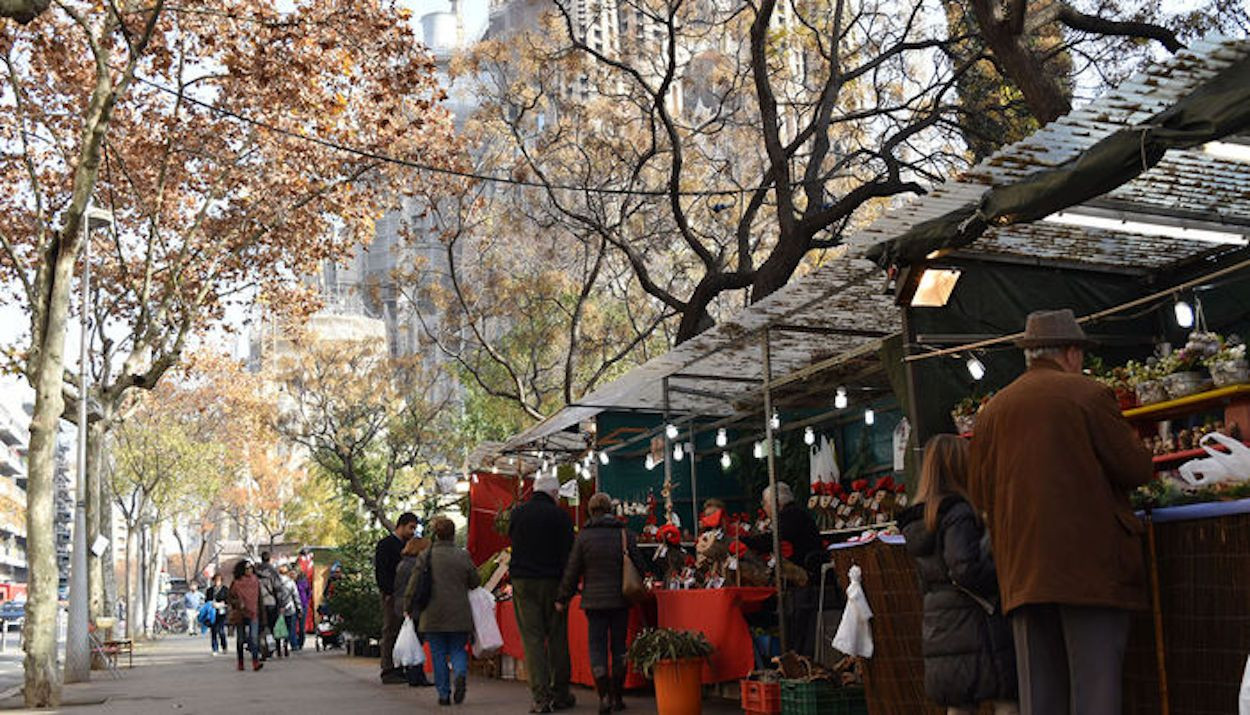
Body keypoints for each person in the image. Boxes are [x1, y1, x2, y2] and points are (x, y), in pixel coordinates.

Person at [968, 309, 1153, 715]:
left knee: (1041, 695)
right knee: (1095, 688)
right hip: (1090, 569)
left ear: (1031, 355)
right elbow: (1136, 469)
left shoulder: (992, 413)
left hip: (1021, 573)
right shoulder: (1088, 394)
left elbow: (979, 493)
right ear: (1071, 353)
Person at [899, 435, 1017, 715]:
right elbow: (964, 568)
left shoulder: (919, 520)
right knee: (1008, 704)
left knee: (960, 706)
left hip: (940, 623)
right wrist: (1002, 573)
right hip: (974, 622)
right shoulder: (958, 512)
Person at [556, 492, 646, 714]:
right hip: (620, 600)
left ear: (590, 511)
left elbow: (572, 571)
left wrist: (562, 598)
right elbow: (640, 566)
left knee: (596, 648)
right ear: (610, 510)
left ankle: (603, 696)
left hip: (593, 602)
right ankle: (617, 697)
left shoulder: (583, 538)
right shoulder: (624, 534)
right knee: (619, 647)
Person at [508, 472, 576, 713]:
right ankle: (560, 692)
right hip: (554, 581)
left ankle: (540, 697)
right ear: (554, 493)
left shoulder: (518, 514)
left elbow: (512, 541)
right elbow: (570, 554)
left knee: (533, 639)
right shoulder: (561, 516)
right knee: (558, 637)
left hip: (523, 582)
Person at [745, 481, 828, 657]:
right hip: (800, 581)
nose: (765, 508)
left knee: (798, 631)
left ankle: (796, 659)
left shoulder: (791, 517)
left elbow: (773, 540)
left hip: (804, 580)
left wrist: (747, 542)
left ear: (775, 503)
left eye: (765, 504)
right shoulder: (793, 514)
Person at [415, 516, 480, 706]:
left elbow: (415, 584)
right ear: (452, 534)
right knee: (458, 649)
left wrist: (409, 606)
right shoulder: (463, 555)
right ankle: (459, 674)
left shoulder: (425, 556)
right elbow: (475, 582)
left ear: (436, 534)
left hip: (433, 614)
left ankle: (443, 694)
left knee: (438, 654)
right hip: (459, 613)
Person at [375, 512, 419, 684]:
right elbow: (381, 570)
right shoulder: (386, 545)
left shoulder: (409, 545)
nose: (413, 532)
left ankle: (400, 666)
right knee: (390, 630)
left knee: (403, 630)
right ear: (401, 525)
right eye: (411, 527)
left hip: (405, 595)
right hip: (391, 595)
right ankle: (388, 669)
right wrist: (387, 592)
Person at [393, 533, 433, 687]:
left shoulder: (403, 564)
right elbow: (416, 588)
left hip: (402, 603)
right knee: (417, 641)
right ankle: (417, 675)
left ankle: (413, 674)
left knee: (412, 640)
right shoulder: (416, 566)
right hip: (413, 606)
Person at [227, 560, 263, 671]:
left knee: (254, 638)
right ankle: (240, 662)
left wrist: (263, 615)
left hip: (254, 613)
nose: (249, 570)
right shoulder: (236, 583)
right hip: (240, 614)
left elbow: (260, 599)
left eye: (251, 568)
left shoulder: (256, 581)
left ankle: (255, 662)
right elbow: (229, 598)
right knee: (241, 640)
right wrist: (237, 603)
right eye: (247, 568)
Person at [255, 552, 284, 660]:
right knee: (272, 628)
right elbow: (278, 589)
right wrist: (280, 603)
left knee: (260, 628)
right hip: (271, 602)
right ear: (269, 559)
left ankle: (261, 649)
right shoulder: (273, 572)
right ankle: (272, 649)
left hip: (258, 603)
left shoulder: (255, 572)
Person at [278, 564, 300, 657]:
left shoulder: (276, 582)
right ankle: (289, 643)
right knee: (290, 627)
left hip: (279, 608)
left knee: (279, 628)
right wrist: (299, 608)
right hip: (290, 608)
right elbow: (296, 596)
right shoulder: (291, 582)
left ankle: (278, 645)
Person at [206, 573, 230, 656]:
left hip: (222, 612)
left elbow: (228, 600)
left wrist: (222, 604)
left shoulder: (225, 590)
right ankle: (215, 648)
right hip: (212, 612)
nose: (217, 582)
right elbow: (207, 601)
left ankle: (224, 646)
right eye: (216, 580)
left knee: (221, 630)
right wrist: (211, 604)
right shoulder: (210, 590)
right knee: (213, 631)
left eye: (219, 580)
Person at [295, 571, 311, 651]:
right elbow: (309, 593)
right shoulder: (305, 583)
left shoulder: (297, 583)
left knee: (297, 625)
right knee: (301, 625)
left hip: (299, 605)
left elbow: (309, 593)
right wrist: (307, 602)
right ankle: (300, 642)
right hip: (303, 605)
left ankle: (298, 643)